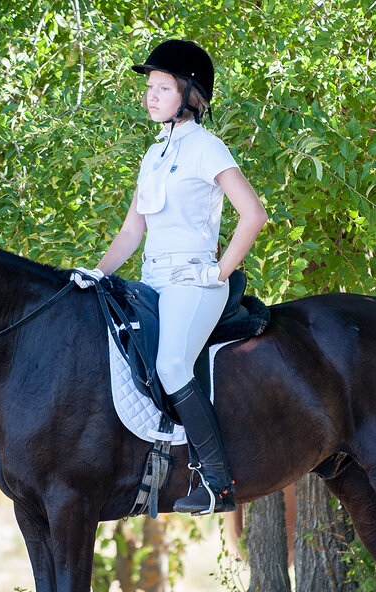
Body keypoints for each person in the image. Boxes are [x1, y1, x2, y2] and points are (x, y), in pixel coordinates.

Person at [71, 39, 267, 515]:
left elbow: (254, 215)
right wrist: (96, 272)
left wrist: (220, 270)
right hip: (154, 280)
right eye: (150, 87)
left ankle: (218, 483)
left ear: (189, 94)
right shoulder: (153, 155)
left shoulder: (206, 148)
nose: (151, 96)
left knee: (172, 367)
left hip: (193, 284)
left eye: (162, 87)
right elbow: (132, 230)